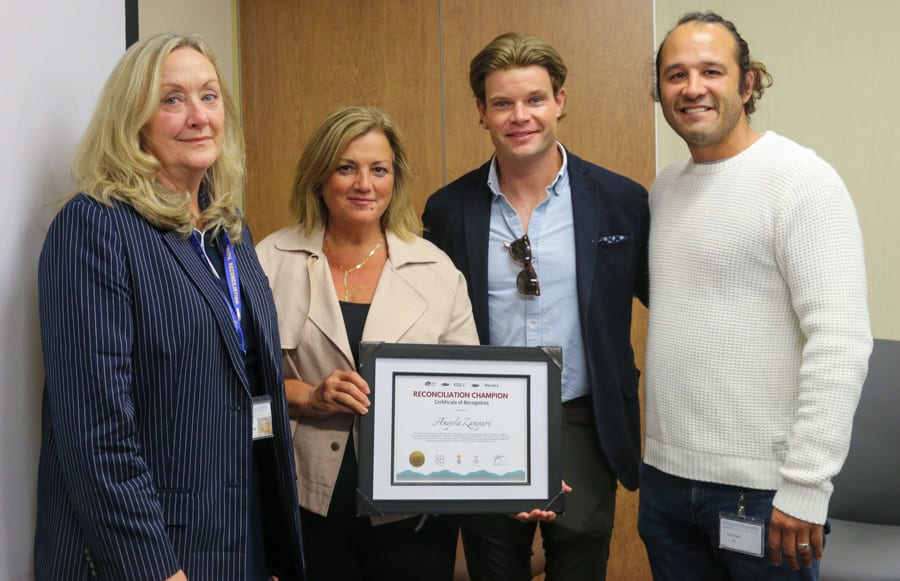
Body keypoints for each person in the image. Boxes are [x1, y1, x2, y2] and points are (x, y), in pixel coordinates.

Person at [34, 33, 306, 580]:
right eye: (172, 100)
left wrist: (271, 543)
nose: (198, 116)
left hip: (238, 535)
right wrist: (156, 571)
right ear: (132, 120)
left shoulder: (228, 228)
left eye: (209, 96)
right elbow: (96, 432)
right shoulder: (95, 227)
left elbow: (250, 388)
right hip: (154, 556)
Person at [640, 11, 872, 580]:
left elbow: (840, 342)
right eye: (675, 74)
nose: (692, 88)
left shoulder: (801, 182)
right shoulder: (665, 189)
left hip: (764, 493)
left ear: (747, 84)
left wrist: (806, 487)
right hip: (665, 485)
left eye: (711, 71)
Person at [423, 32, 649, 581]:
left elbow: (671, 300)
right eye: (502, 103)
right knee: (494, 567)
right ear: (481, 111)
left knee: (579, 564)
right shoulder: (449, 209)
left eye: (534, 99)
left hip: (584, 420)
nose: (519, 116)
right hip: (483, 424)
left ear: (560, 102)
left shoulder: (621, 200)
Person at [256, 104, 478, 581]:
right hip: (304, 501)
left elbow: (471, 393)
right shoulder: (269, 262)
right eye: (346, 167)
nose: (364, 184)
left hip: (414, 508)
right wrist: (307, 396)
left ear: (394, 179)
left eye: (379, 169)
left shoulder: (437, 270)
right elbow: (241, 390)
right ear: (319, 176)